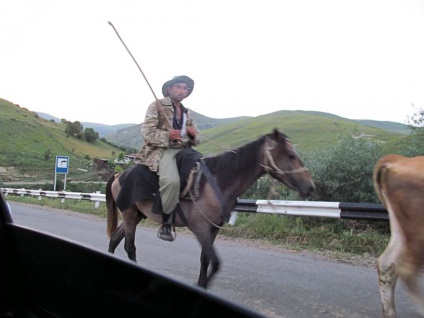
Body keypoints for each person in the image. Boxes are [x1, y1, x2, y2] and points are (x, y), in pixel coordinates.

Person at [139, 75, 200, 241]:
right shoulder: (157, 106)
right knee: (171, 181)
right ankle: (167, 222)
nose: (182, 91)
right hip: (163, 150)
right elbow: (147, 132)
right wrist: (168, 135)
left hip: (185, 150)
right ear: (169, 89)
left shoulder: (187, 112)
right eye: (178, 87)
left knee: (207, 170)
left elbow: (198, 139)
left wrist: (192, 135)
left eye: (185, 88)